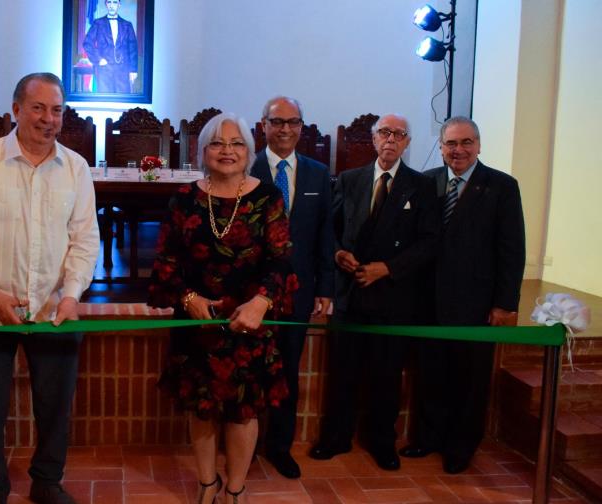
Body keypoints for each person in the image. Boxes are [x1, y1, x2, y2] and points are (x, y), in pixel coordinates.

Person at [0, 72, 100, 504]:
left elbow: (86, 240)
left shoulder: (75, 167)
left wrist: (71, 294)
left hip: (56, 310)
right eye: (38, 108)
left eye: (56, 110)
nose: (48, 119)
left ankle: (47, 481)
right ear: (15, 109)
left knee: (54, 408)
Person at [149, 112, 297, 504]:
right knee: (201, 408)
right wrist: (187, 298)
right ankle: (206, 483)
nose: (227, 151)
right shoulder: (184, 198)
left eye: (236, 144)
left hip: (249, 322)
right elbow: (164, 260)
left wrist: (261, 302)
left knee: (243, 411)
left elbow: (281, 259)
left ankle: (235, 488)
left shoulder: (268, 196)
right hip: (197, 322)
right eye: (217, 143)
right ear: (203, 151)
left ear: (249, 151)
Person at [309, 114, 439, 471]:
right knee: (343, 372)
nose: (391, 140)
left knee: (386, 374)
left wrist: (389, 268)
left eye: (399, 134)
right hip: (349, 293)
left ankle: (382, 442)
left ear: (407, 143)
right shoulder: (350, 180)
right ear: (373, 138)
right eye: (385, 133)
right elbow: (329, 230)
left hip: (393, 296)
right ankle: (335, 438)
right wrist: (337, 253)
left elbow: (429, 242)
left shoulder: (421, 186)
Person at [400, 116, 525, 474]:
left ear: (479, 145)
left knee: (469, 379)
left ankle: (461, 447)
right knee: (431, 373)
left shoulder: (501, 186)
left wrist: (505, 303)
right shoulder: (427, 183)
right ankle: (427, 438)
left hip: (476, 303)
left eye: (466, 142)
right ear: (440, 147)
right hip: (428, 301)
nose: (459, 150)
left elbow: (512, 249)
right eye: (451, 143)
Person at [250, 96, 334, 479]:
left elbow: (324, 236)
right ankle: (244, 445)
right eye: (277, 121)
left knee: (287, 371)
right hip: (250, 293)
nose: (285, 129)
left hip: (298, 292)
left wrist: (325, 288)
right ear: (262, 125)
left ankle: (279, 446)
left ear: (303, 126)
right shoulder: (245, 169)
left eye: (293, 122)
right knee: (246, 368)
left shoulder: (318, 173)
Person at [82, 0, 138, 93]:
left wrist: (133, 70)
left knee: (123, 99)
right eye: (109, 2)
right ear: (106, 4)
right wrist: (98, 59)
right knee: (105, 99)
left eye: (115, 2)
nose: (112, 5)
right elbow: (87, 43)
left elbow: (133, 48)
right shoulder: (98, 23)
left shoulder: (127, 25)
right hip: (104, 70)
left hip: (123, 70)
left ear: (119, 5)